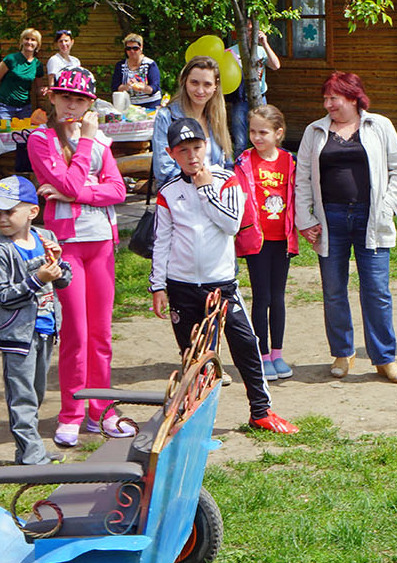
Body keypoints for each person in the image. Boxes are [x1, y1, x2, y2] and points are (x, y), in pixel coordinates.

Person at [151, 118, 296, 434]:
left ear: (207, 146)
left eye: (197, 147)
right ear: (171, 153)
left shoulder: (226, 180)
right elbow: (161, 240)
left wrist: (205, 190)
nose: (192, 156)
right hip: (181, 285)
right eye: (183, 150)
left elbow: (231, 223)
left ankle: (261, 411)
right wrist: (158, 285)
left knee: (246, 344)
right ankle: (196, 420)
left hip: (221, 285)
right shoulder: (168, 192)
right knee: (194, 357)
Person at [26, 67, 131, 448]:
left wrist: (74, 191)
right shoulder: (40, 140)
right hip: (66, 245)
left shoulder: (100, 141)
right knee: (74, 332)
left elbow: (118, 190)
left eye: (81, 100)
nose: (73, 105)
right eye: (66, 97)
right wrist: (84, 159)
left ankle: (100, 410)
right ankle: (71, 412)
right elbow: (74, 182)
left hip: (101, 242)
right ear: (51, 98)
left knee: (101, 332)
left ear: (90, 104)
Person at [294, 72, 397, 384]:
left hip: (371, 218)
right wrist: (306, 220)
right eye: (325, 99)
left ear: (353, 97)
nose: (327, 104)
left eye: (333, 98)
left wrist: (388, 207)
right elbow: (302, 178)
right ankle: (343, 353)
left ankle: (384, 359)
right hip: (330, 220)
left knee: (376, 290)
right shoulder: (315, 131)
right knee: (333, 290)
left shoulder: (379, 126)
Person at [0, 176, 71, 465]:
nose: (2, 218)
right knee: (22, 396)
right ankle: (31, 456)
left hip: (46, 328)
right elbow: (3, 295)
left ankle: (29, 450)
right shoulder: (3, 249)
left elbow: (64, 280)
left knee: (37, 391)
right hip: (17, 335)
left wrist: (59, 264)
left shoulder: (46, 238)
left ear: (32, 211)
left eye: (9, 211)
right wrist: (36, 278)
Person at [234, 104, 299, 381]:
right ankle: (260, 355)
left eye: (263, 132)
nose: (257, 137)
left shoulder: (289, 161)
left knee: (278, 298)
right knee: (261, 297)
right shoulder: (244, 161)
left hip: (282, 240)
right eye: (252, 132)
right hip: (256, 240)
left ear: (278, 133)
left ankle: (277, 353)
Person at [152, 56, 232, 187]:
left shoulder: (216, 117)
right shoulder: (167, 116)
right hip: (181, 197)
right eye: (194, 83)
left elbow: (227, 165)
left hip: (215, 194)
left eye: (207, 84)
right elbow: (164, 172)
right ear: (185, 81)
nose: (200, 90)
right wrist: (199, 184)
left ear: (215, 86)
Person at [225, 21, 282, 154]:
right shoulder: (231, 52)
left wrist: (265, 43)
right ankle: (240, 170)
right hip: (240, 99)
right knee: (240, 141)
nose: (249, 34)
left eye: (251, 30)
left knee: (264, 135)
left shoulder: (261, 50)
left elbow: (276, 65)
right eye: (245, 31)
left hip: (260, 98)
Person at [112, 34, 162, 109]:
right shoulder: (120, 65)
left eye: (135, 48)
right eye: (128, 49)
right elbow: (115, 87)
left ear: (141, 48)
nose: (132, 51)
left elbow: (154, 87)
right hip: (129, 105)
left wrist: (143, 87)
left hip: (151, 104)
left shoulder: (150, 64)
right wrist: (126, 87)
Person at [0, 29, 42, 119]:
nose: (29, 42)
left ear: (37, 44)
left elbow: (38, 89)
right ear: (22, 41)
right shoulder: (11, 59)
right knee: (5, 133)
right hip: (5, 107)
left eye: (33, 40)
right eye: (27, 39)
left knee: (23, 132)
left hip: (25, 109)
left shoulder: (37, 65)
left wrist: (44, 91)